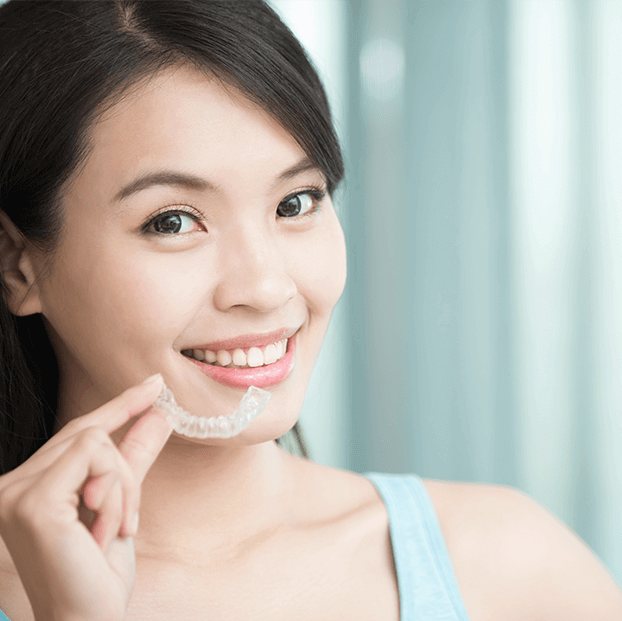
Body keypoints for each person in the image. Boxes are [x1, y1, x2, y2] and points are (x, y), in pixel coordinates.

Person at [0, 1, 620, 619]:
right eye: (173, 221)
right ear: (16, 266)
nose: (267, 287)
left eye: (296, 203)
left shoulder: (509, 569)